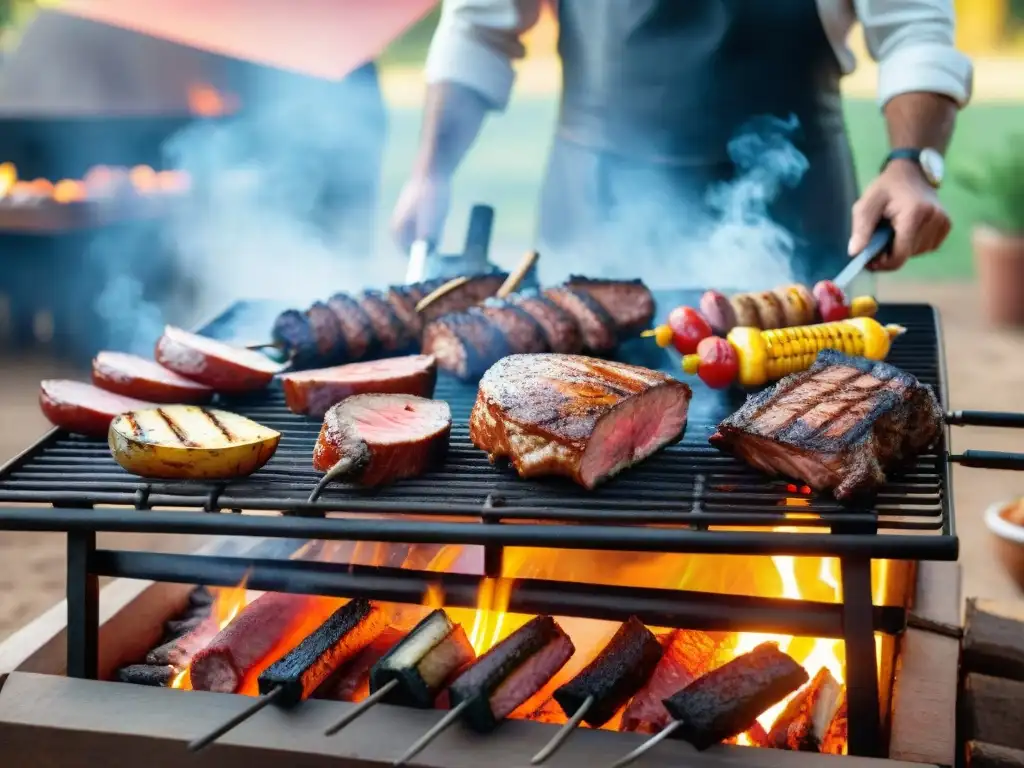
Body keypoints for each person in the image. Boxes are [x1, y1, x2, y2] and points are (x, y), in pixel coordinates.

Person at [391, 0, 973, 285]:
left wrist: (910, 163)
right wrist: (430, 172)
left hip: (797, 208)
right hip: (594, 202)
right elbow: (478, 30)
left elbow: (915, 30)